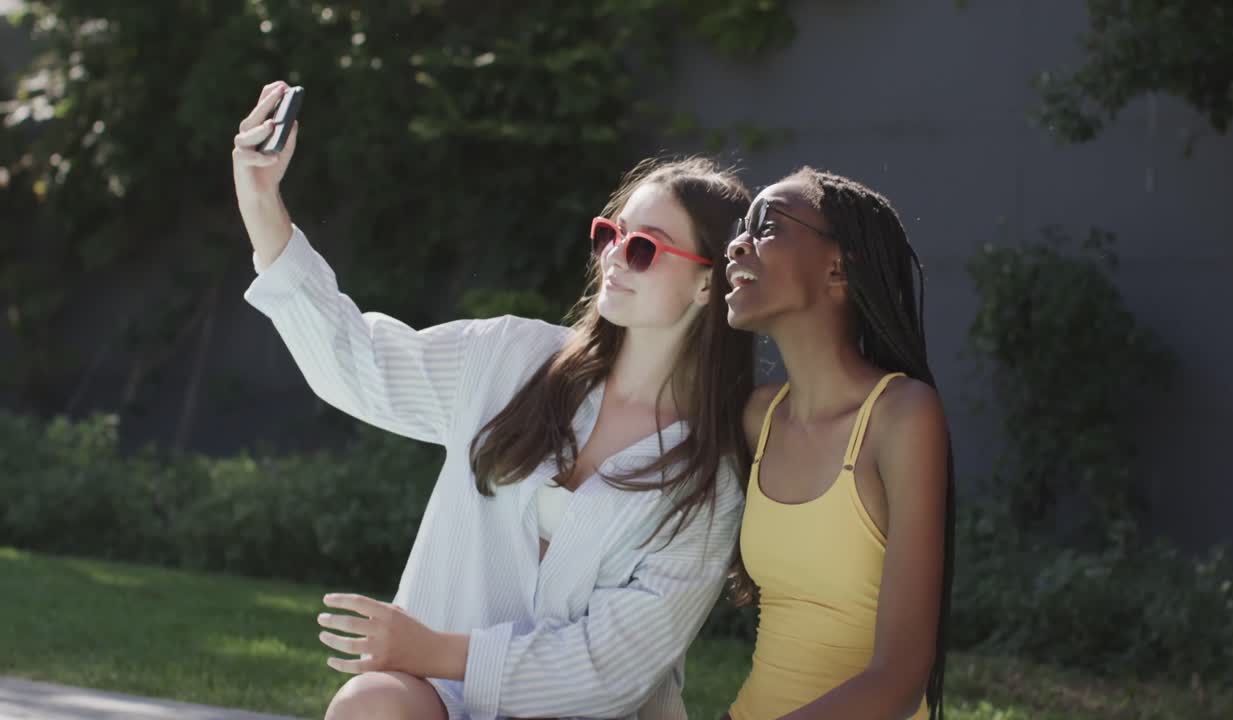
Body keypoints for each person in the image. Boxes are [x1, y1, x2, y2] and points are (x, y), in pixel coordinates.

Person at [231, 80, 755, 720]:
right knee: (368, 704)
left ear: (709, 285)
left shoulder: (707, 478)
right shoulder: (511, 357)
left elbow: (608, 670)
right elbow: (357, 362)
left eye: (644, 247)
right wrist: (262, 203)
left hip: (583, 714)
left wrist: (434, 650)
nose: (616, 256)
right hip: (441, 696)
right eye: (609, 235)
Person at [722, 167, 954, 720]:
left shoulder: (902, 417)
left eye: (767, 227)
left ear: (838, 268)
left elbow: (897, 680)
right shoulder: (757, 417)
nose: (737, 244)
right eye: (740, 226)